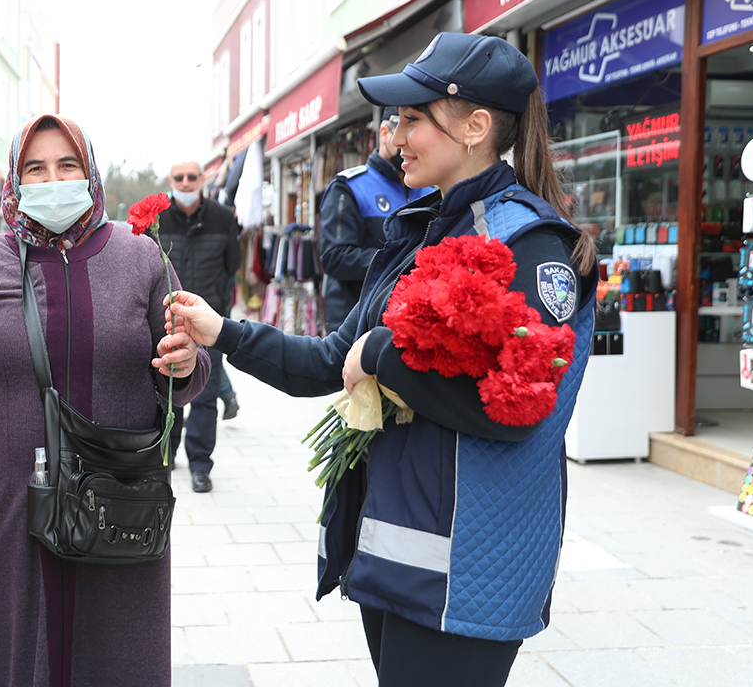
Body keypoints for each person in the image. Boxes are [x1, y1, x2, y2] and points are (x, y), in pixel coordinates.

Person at [158, 33, 597, 687]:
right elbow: (330, 362)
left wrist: (382, 353)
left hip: (464, 568)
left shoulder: (530, 247)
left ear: (476, 127)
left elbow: (513, 414)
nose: (394, 137)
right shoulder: (425, 228)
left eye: (413, 119)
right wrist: (219, 331)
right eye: (398, 120)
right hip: (395, 544)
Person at [0, 113, 210, 687]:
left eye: (67, 165)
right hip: (5, 509)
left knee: (114, 656)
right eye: (36, 169)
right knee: (13, 654)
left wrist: (187, 362)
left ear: (90, 173)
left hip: (118, 502)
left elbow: (190, 378)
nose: (53, 181)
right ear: (15, 182)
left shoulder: (143, 257)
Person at [156, 159, 242, 492]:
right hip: (167, 321)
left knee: (206, 394)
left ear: (202, 178)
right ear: (171, 179)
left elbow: (231, 263)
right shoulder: (159, 221)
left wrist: (218, 311)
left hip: (209, 322)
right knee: (169, 391)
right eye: (180, 177)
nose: (187, 182)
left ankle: (200, 466)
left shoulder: (222, 217)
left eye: (193, 177)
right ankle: (167, 454)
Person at [320, 106, 437, 333]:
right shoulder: (349, 187)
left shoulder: (429, 191)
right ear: (385, 134)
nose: (409, 143)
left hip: (409, 322)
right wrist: (405, 263)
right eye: (404, 131)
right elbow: (334, 257)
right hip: (354, 323)